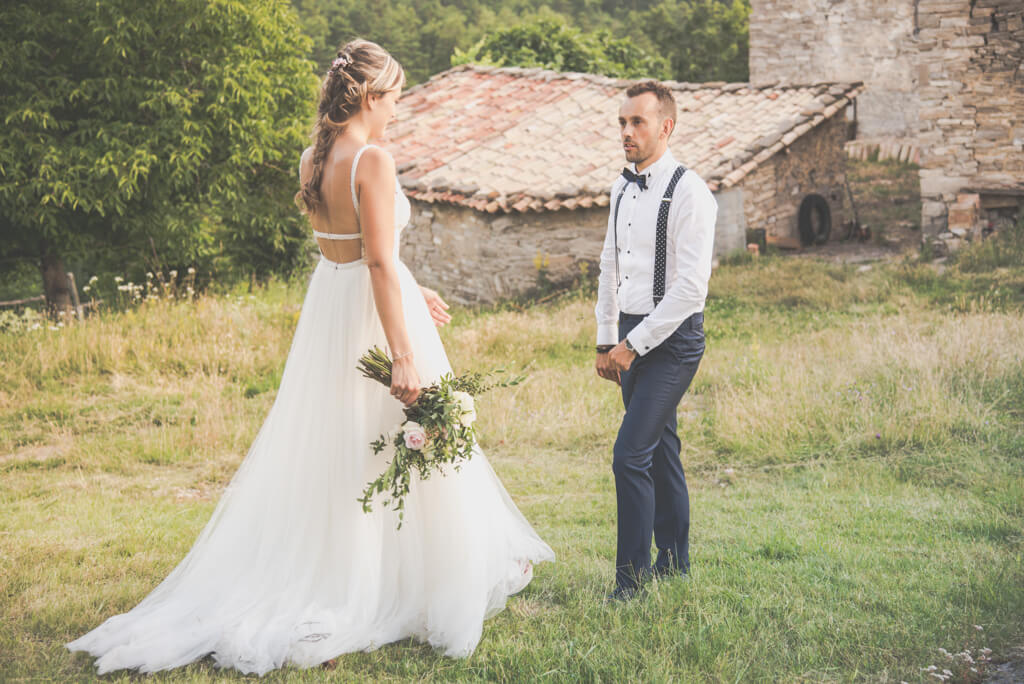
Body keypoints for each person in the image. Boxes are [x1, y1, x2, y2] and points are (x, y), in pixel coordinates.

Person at [67, 39, 554, 675]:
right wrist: (403, 355)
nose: (399, 108)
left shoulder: (312, 156)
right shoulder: (372, 159)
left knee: (344, 443)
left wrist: (414, 286)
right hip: (369, 319)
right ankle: (401, 578)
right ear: (372, 97)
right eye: (397, 96)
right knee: (400, 433)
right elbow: (376, 259)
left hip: (333, 302)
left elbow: (352, 250)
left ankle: (371, 560)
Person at [594, 80, 717, 601]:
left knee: (630, 455)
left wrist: (632, 345)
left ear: (665, 127)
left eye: (636, 122)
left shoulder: (691, 192)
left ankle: (631, 582)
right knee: (661, 450)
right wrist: (606, 339)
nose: (626, 131)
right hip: (628, 333)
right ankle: (674, 560)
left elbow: (690, 289)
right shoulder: (622, 187)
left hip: (673, 341)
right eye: (622, 122)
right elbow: (609, 264)